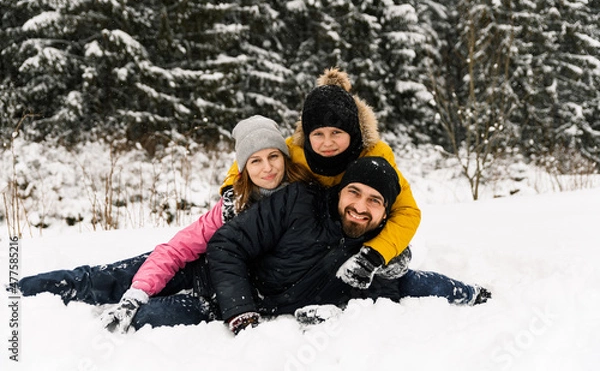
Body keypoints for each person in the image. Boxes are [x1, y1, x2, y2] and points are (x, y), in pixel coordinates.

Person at [16, 115, 315, 332]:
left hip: (218, 297)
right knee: (103, 279)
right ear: (244, 167)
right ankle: (22, 289)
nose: (267, 168)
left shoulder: (301, 202)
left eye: (273, 156)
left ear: (285, 158)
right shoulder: (232, 205)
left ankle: (98, 322)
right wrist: (138, 291)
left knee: (147, 317)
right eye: (256, 160)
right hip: (192, 269)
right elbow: (178, 248)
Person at [206, 157, 491, 335]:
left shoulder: (369, 259)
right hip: (207, 285)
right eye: (354, 192)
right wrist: (241, 310)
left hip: (215, 310)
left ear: (386, 213)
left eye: (374, 200)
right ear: (340, 191)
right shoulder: (298, 202)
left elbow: (411, 284)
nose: (359, 206)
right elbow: (227, 245)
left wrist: (471, 293)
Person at [221, 68, 421, 289]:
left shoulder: (374, 154)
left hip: (356, 230)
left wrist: (377, 252)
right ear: (308, 134)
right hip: (310, 236)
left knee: (396, 262)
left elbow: (406, 210)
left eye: (336, 133)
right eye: (318, 134)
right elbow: (252, 156)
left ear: (352, 131)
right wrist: (232, 190)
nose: (327, 143)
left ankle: (383, 275)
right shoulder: (296, 151)